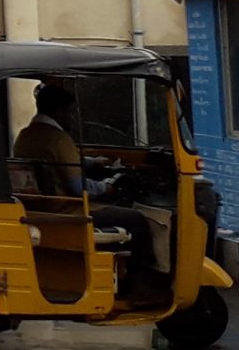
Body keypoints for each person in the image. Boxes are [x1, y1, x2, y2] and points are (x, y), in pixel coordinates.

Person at [13, 84, 150, 279]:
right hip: (68, 211)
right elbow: (78, 187)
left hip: (40, 209)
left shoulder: (25, 136)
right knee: (136, 219)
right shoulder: (59, 139)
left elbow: (61, 161)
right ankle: (141, 282)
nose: (73, 118)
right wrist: (107, 187)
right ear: (59, 112)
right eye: (71, 112)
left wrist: (93, 163)